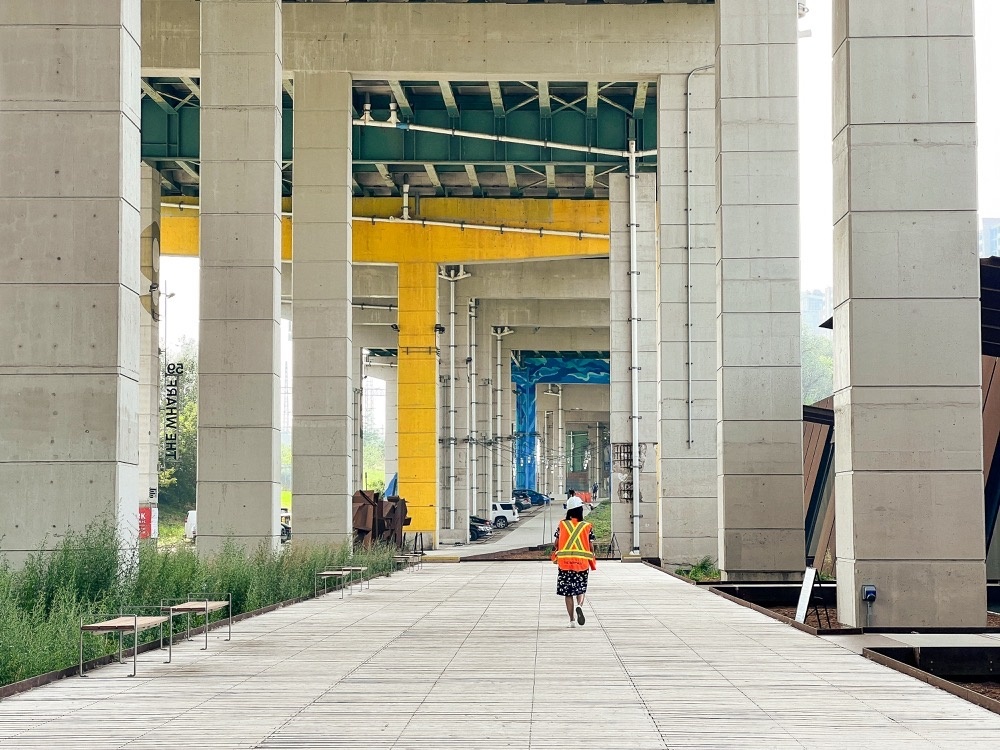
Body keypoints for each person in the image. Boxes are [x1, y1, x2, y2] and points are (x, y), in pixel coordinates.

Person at [552, 495, 596, 628]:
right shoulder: (587, 526)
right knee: (580, 589)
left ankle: (571, 620)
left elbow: (556, 543)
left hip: (565, 564)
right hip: (581, 564)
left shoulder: (562, 525)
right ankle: (579, 606)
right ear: (580, 510)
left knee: (568, 593)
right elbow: (591, 545)